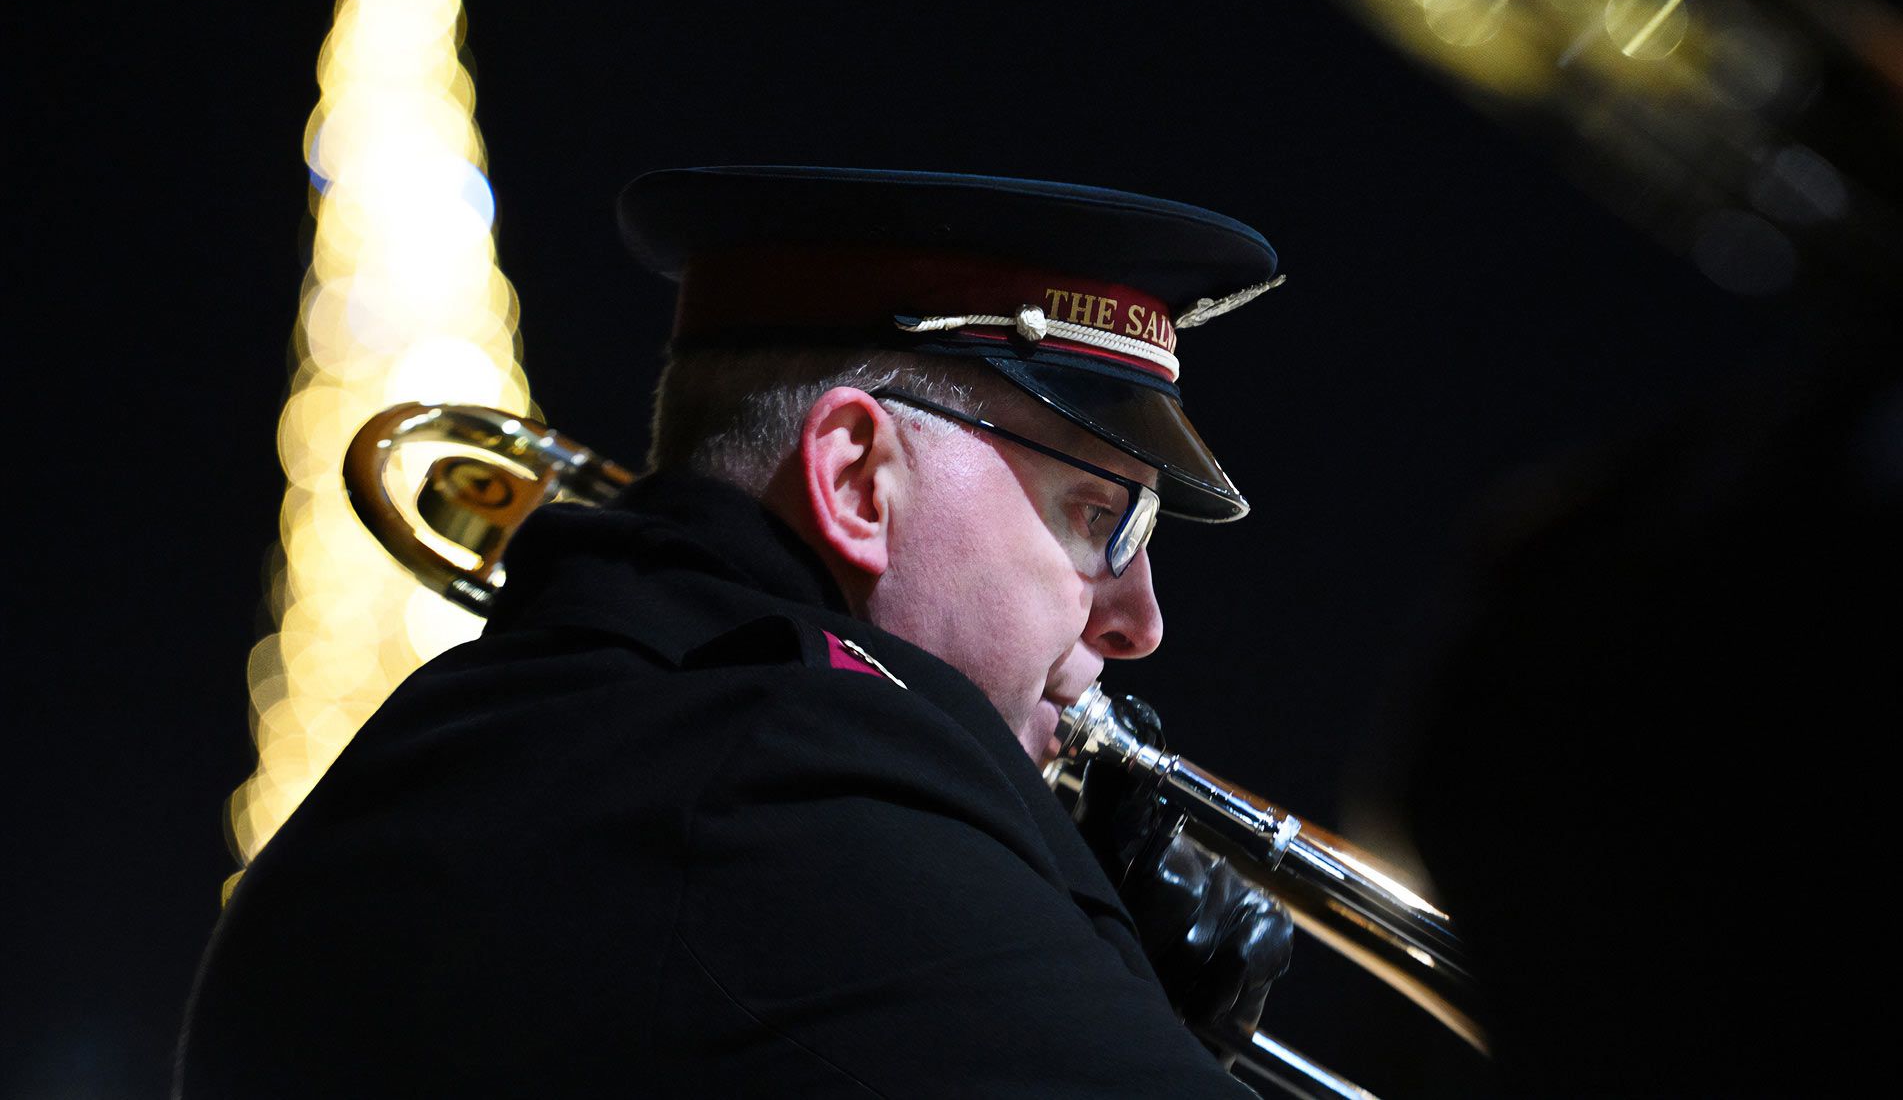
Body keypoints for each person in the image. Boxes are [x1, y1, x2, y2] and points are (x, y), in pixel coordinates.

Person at [176, 165, 1294, 1097]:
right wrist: (1091, 951)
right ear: (858, 479)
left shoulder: (489, 730)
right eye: (1098, 518)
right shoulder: (798, 771)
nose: (1138, 619)